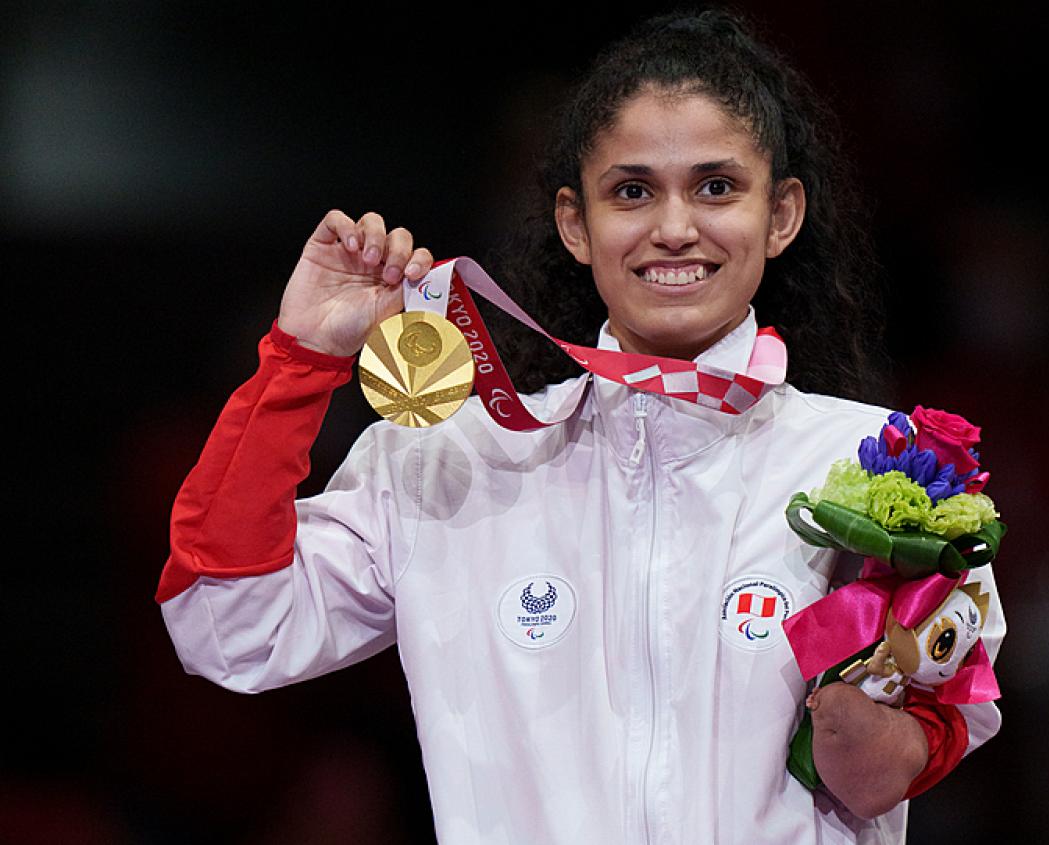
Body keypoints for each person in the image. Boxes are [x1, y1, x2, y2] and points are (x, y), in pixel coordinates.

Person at [157, 10, 1003, 844]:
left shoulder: (888, 469)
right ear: (575, 222)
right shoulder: (446, 465)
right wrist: (300, 357)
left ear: (781, 214)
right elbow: (228, 623)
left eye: (717, 186)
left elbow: (911, 747)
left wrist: (866, 714)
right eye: (632, 191)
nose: (675, 228)